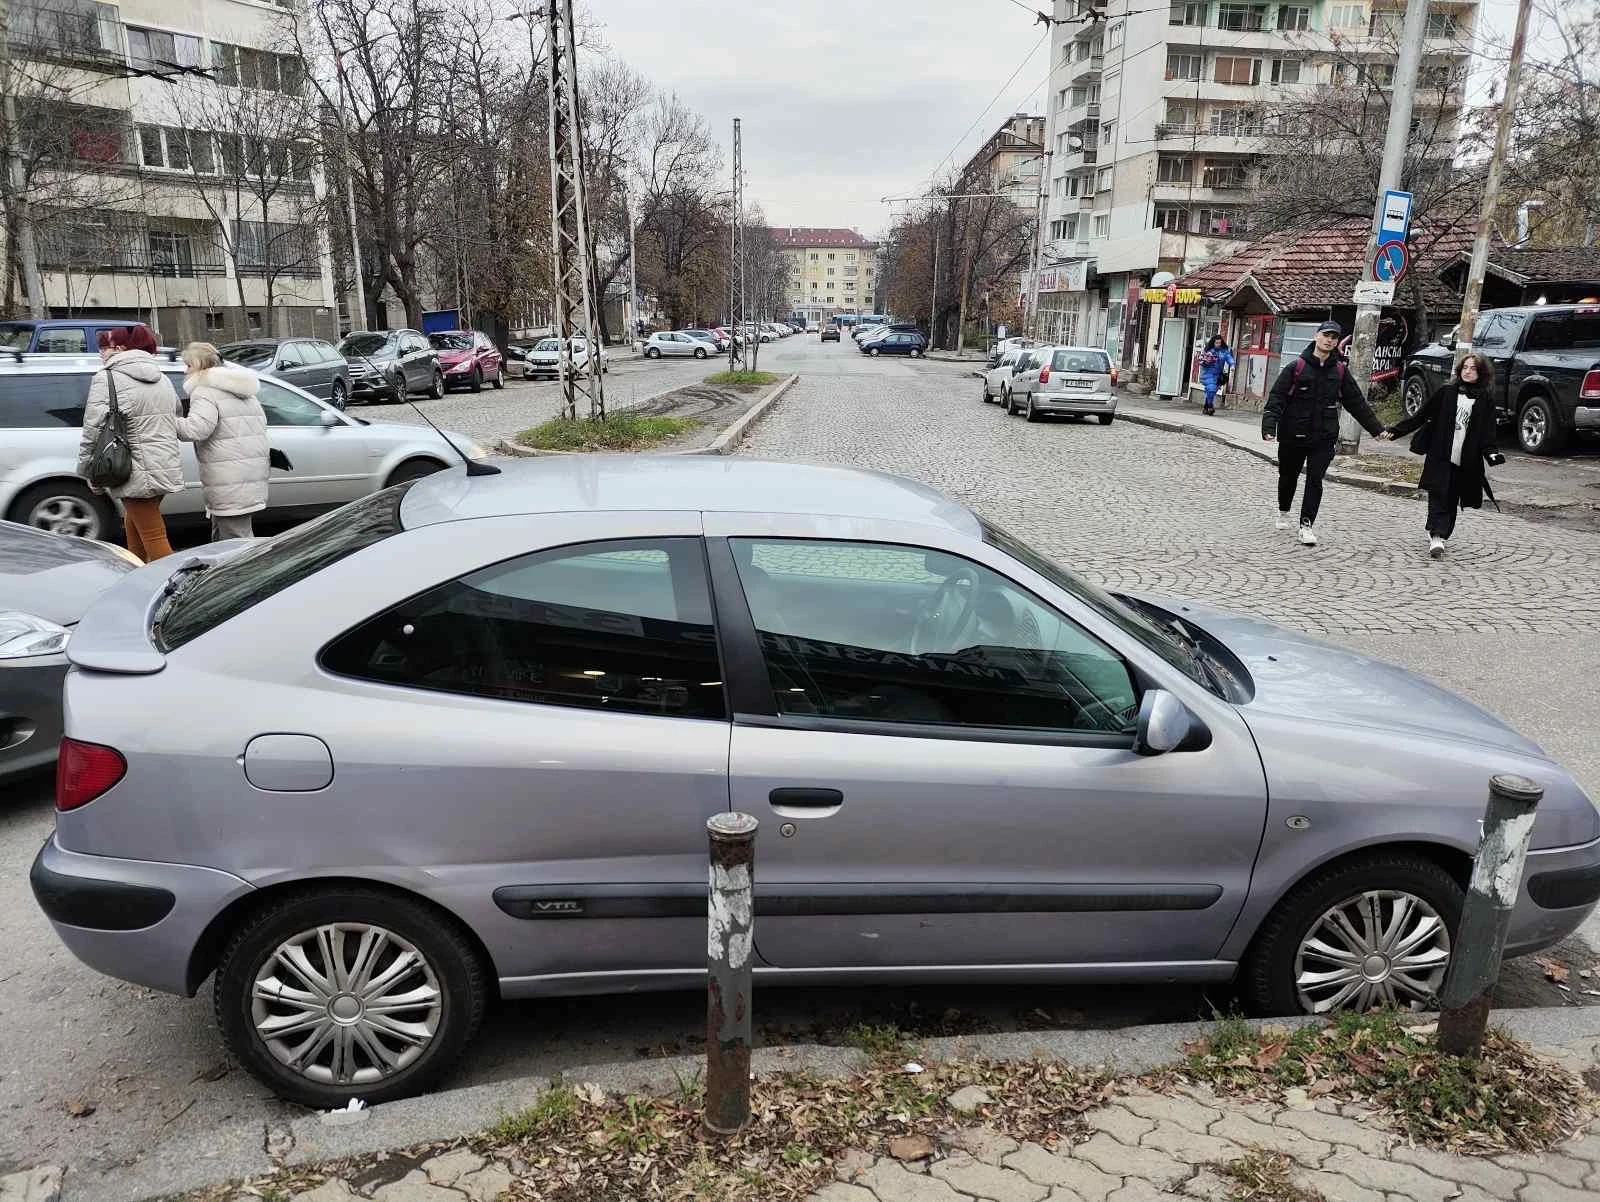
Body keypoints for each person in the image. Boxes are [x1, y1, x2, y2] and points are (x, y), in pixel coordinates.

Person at [1262, 320, 1386, 547]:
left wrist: (1376, 429)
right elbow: (1277, 398)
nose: (1329, 340)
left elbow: (1356, 402)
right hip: (1293, 434)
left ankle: (1306, 525)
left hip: (1324, 436)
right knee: (1288, 476)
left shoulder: (1339, 371)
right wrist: (1269, 426)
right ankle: (1283, 510)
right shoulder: (1296, 367)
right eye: (1326, 335)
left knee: (1315, 479)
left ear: (1337, 342)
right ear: (1316, 336)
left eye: (1334, 337)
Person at [78, 324, 182, 562]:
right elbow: (175, 415)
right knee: (135, 523)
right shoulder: (162, 377)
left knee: (154, 536)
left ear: (121, 349)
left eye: (106, 347)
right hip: (164, 463)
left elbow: (93, 427)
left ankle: (174, 581)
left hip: (129, 466)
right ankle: (136, 570)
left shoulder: (107, 378)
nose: (101, 353)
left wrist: (88, 469)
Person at [1384, 352, 1500, 558]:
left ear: (1481, 373)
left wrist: (1492, 454)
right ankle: (1436, 535)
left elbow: (1488, 432)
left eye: (1473, 368)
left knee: (1452, 498)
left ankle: (1442, 533)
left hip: (1465, 459)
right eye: (1465, 367)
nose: (1468, 372)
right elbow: (1422, 415)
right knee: (1438, 493)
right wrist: (1395, 431)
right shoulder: (1447, 392)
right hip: (1440, 454)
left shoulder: (1485, 400)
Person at [175, 341, 269, 542]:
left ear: (200, 366)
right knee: (228, 535)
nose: (185, 371)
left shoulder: (204, 391)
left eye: (189, 365)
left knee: (235, 541)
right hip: (247, 474)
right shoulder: (244, 390)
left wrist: (167, 421)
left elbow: (196, 429)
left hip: (227, 478)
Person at [1197, 334, 1234, 416]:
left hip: (1217, 375)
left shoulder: (1223, 351)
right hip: (1207, 373)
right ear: (1213, 342)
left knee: (1212, 391)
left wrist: (1232, 365)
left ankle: (1206, 406)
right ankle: (1210, 406)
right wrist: (1206, 360)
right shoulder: (1208, 350)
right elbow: (1201, 360)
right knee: (1211, 388)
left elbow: (1229, 357)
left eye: (1219, 343)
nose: (1218, 344)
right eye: (1216, 343)